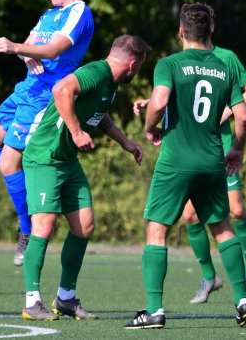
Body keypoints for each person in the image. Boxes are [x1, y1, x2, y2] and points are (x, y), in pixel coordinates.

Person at [125, 3, 246, 329]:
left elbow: (158, 102)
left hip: (176, 162)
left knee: (157, 231)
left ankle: (155, 310)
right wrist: (236, 150)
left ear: (181, 32)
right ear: (211, 30)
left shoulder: (169, 64)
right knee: (223, 229)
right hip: (212, 161)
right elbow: (242, 116)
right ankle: (242, 301)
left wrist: (150, 128)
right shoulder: (224, 68)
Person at [20, 35, 149, 321]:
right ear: (132, 63)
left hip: (67, 161)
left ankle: (65, 298)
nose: (138, 71)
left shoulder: (110, 83)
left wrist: (125, 142)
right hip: (45, 157)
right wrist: (76, 132)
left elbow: (99, 116)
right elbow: (61, 89)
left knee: (85, 225)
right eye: (140, 66)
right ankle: (32, 301)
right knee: (45, 224)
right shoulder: (97, 71)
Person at [0, 0, 94, 266]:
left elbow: (53, 50)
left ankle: (28, 228)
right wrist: (24, 54)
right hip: (28, 87)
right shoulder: (49, 15)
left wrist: (15, 47)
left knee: (8, 163)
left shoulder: (78, 14)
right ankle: (28, 207)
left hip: (46, 96)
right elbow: (32, 46)